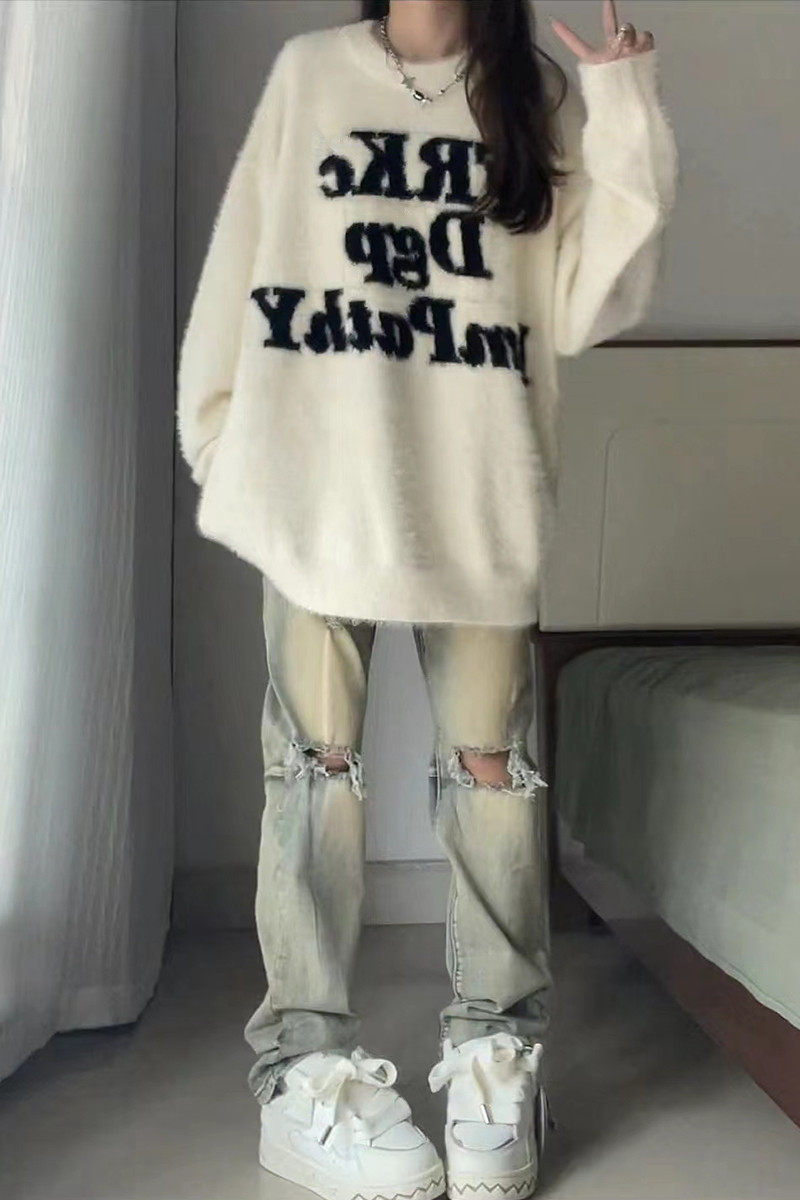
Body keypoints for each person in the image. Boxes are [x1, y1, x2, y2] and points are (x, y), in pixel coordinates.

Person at [176, 1, 678, 1196]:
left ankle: (497, 1055)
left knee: (491, 781)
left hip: (476, 495)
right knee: (313, 775)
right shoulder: (311, 74)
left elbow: (588, 305)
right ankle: (302, 1072)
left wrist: (620, 103)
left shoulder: (527, 95)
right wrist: (220, 438)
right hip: (318, 489)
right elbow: (243, 259)